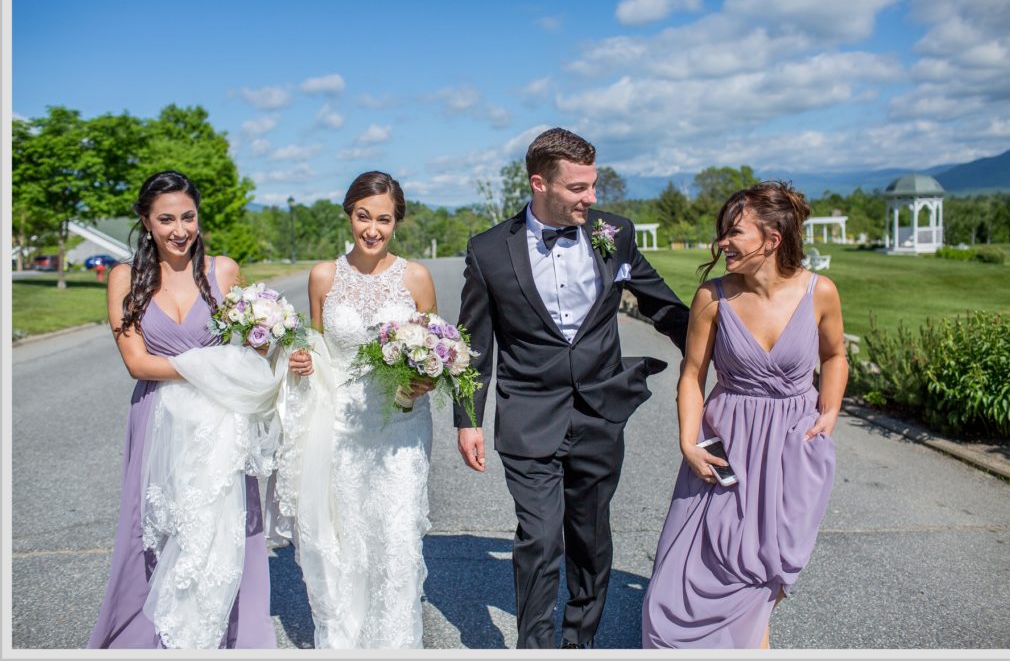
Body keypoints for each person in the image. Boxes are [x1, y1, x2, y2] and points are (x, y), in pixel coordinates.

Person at [453, 128, 689, 649]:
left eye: (594, 184)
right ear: (540, 183)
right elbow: (474, 343)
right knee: (538, 538)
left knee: (589, 537)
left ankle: (578, 642)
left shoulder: (615, 232)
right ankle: (533, 648)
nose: (592, 198)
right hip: (529, 413)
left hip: (601, 412)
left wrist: (732, 350)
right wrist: (467, 417)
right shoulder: (490, 250)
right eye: (579, 188)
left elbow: (664, 306)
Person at [642, 180, 848, 649]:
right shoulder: (711, 299)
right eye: (723, 233)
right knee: (697, 561)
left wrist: (829, 411)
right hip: (727, 442)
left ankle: (752, 639)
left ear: (772, 240)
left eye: (734, 233)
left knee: (767, 560)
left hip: (792, 447)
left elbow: (835, 356)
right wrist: (688, 442)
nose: (722, 243)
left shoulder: (820, 293)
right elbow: (692, 375)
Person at [89, 170, 276, 649]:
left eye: (188, 217)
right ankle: (153, 635)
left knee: (226, 529)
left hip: (221, 422)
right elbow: (137, 362)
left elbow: (254, 345)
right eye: (166, 219)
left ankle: (235, 635)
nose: (179, 229)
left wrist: (276, 349)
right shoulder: (123, 278)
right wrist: (213, 364)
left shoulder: (225, 271)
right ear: (146, 223)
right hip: (157, 418)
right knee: (158, 528)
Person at [278, 171, 437, 649]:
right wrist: (302, 361)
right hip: (341, 425)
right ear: (349, 215)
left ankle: (396, 645)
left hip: (401, 425)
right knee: (346, 539)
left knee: (396, 539)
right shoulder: (324, 276)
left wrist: (422, 383)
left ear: (397, 221)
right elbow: (319, 347)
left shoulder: (416, 277)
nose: (372, 229)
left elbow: (434, 353)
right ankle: (345, 642)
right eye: (363, 216)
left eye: (383, 219)